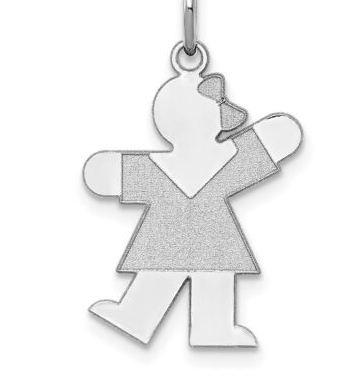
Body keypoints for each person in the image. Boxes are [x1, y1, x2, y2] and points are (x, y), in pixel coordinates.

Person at [83, 43, 302, 346]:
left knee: (186, 274)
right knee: (189, 274)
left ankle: (184, 324)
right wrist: (275, 136)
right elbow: (272, 141)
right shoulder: (226, 158)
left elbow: (106, 174)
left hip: (179, 237)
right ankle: (146, 317)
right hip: (211, 238)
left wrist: (109, 170)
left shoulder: (181, 164)